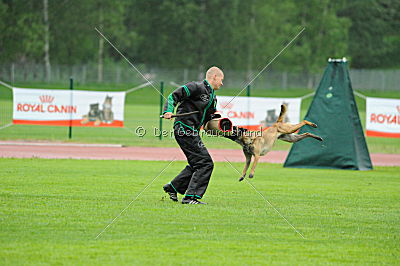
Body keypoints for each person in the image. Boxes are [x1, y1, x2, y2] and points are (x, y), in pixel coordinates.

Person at [162, 66, 224, 204]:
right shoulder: (196, 87)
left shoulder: (213, 97)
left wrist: (224, 127)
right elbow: (174, 96)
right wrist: (168, 110)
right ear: (214, 76)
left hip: (192, 131)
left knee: (197, 162)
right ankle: (191, 197)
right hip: (184, 129)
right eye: (221, 79)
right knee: (205, 163)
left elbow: (210, 119)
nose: (222, 83)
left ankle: (173, 187)